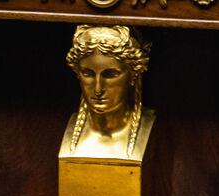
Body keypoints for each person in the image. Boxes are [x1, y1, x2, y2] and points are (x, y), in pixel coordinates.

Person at [61, 24, 153, 161]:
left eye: (110, 75)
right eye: (88, 74)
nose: (98, 89)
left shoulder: (150, 126)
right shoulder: (68, 131)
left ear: (133, 75)